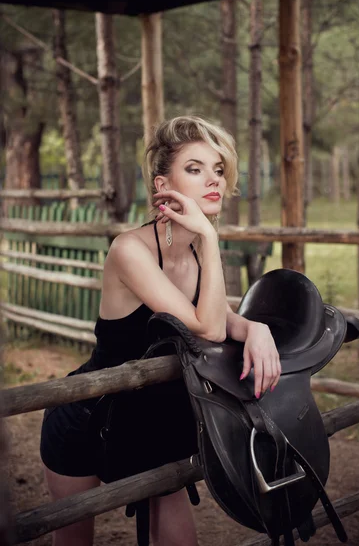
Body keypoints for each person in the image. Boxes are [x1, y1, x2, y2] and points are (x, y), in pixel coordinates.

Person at [40, 115, 281, 546]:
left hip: (154, 423)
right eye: (195, 168)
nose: (214, 180)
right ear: (162, 185)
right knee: (74, 541)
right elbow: (205, 330)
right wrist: (209, 237)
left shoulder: (197, 248)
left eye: (219, 169)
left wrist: (255, 327)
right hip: (88, 418)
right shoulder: (130, 249)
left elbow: (218, 316)